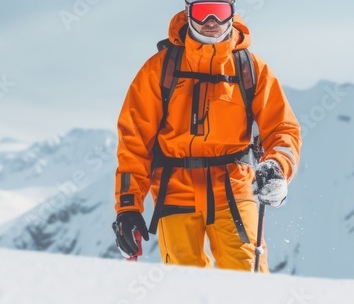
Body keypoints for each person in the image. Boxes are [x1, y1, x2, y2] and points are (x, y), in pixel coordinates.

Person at [112, 0, 301, 272]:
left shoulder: (250, 68)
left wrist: (277, 167)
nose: (211, 20)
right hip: (174, 191)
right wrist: (128, 207)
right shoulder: (159, 69)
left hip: (235, 189)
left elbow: (283, 129)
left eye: (220, 11)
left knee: (247, 277)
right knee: (182, 281)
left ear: (232, 13)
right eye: (202, 11)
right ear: (188, 12)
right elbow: (134, 141)